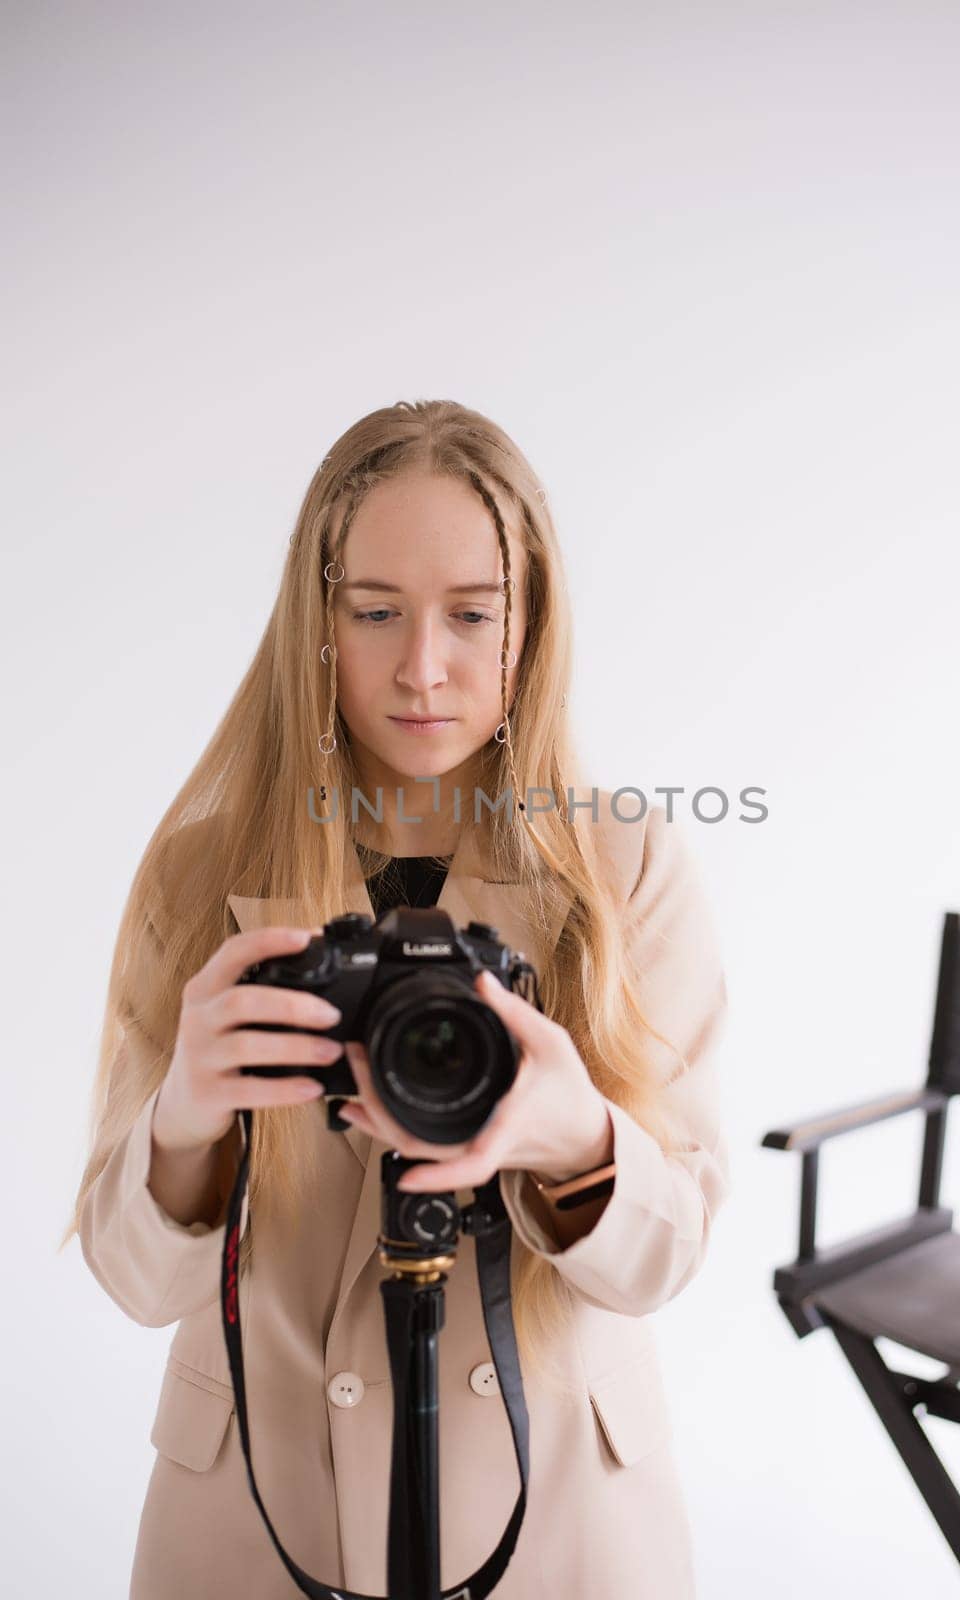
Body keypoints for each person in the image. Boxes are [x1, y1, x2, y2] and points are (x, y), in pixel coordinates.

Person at [61, 399, 731, 1599]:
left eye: (472, 614)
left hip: (559, 1511)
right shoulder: (201, 876)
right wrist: (184, 1124)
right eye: (375, 613)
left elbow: (662, 1258)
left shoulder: (626, 871)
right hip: (264, 1514)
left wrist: (573, 1138)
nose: (423, 667)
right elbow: (135, 1281)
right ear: (319, 621)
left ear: (530, 625)